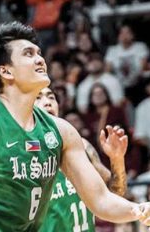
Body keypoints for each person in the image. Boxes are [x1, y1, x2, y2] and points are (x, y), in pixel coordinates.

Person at [0, 22, 150, 231]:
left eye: (39, 53)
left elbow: (101, 200)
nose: (40, 59)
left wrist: (135, 210)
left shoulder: (61, 131)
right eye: (28, 54)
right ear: (5, 71)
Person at [35, 86, 128, 232]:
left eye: (51, 97)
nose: (47, 102)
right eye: (38, 98)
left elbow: (116, 193)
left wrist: (117, 160)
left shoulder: (82, 146)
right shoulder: (22, 153)